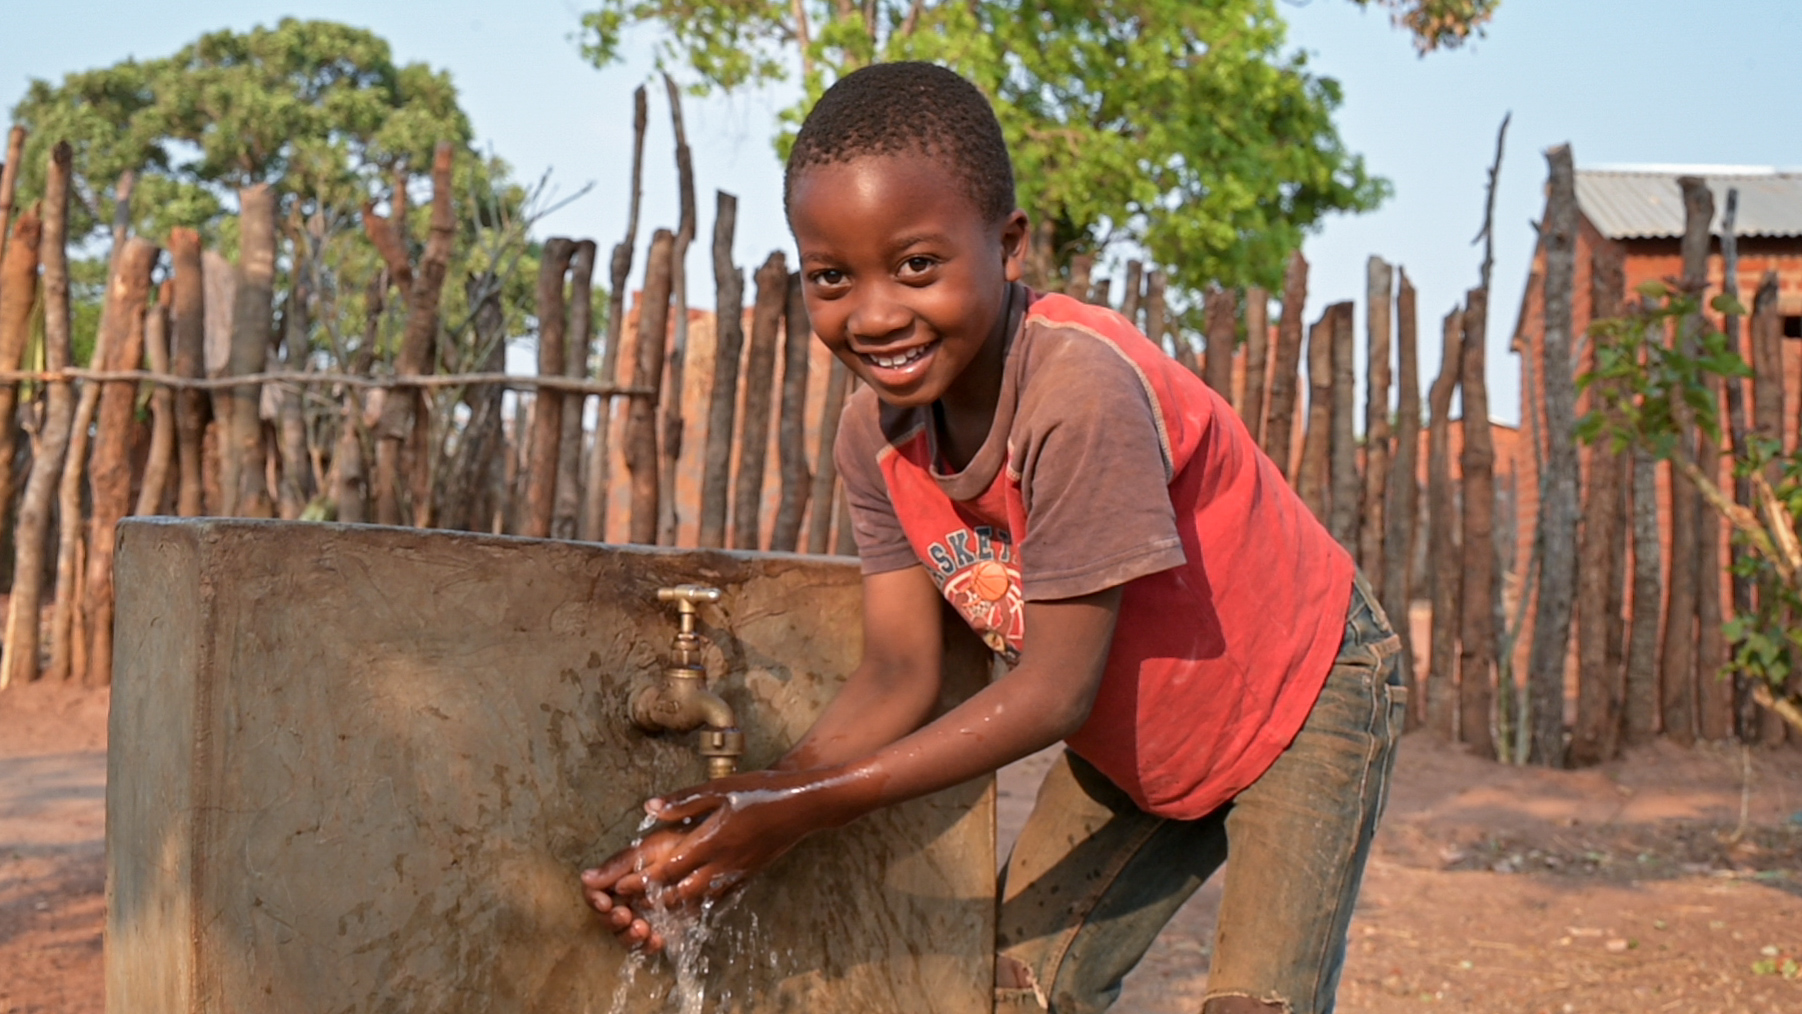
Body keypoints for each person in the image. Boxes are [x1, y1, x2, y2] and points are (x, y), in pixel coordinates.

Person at [581, 61, 1406, 1014]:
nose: (878, 313)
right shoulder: (876, 438)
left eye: (918, 265)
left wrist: (798, 812)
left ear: (1008, 245)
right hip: (1141, 734)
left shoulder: (1078, 394)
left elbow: (1053, 689)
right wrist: (744, 811)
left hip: (1303, 694)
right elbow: (900, 674)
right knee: (1018, 994)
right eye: (832, 278)